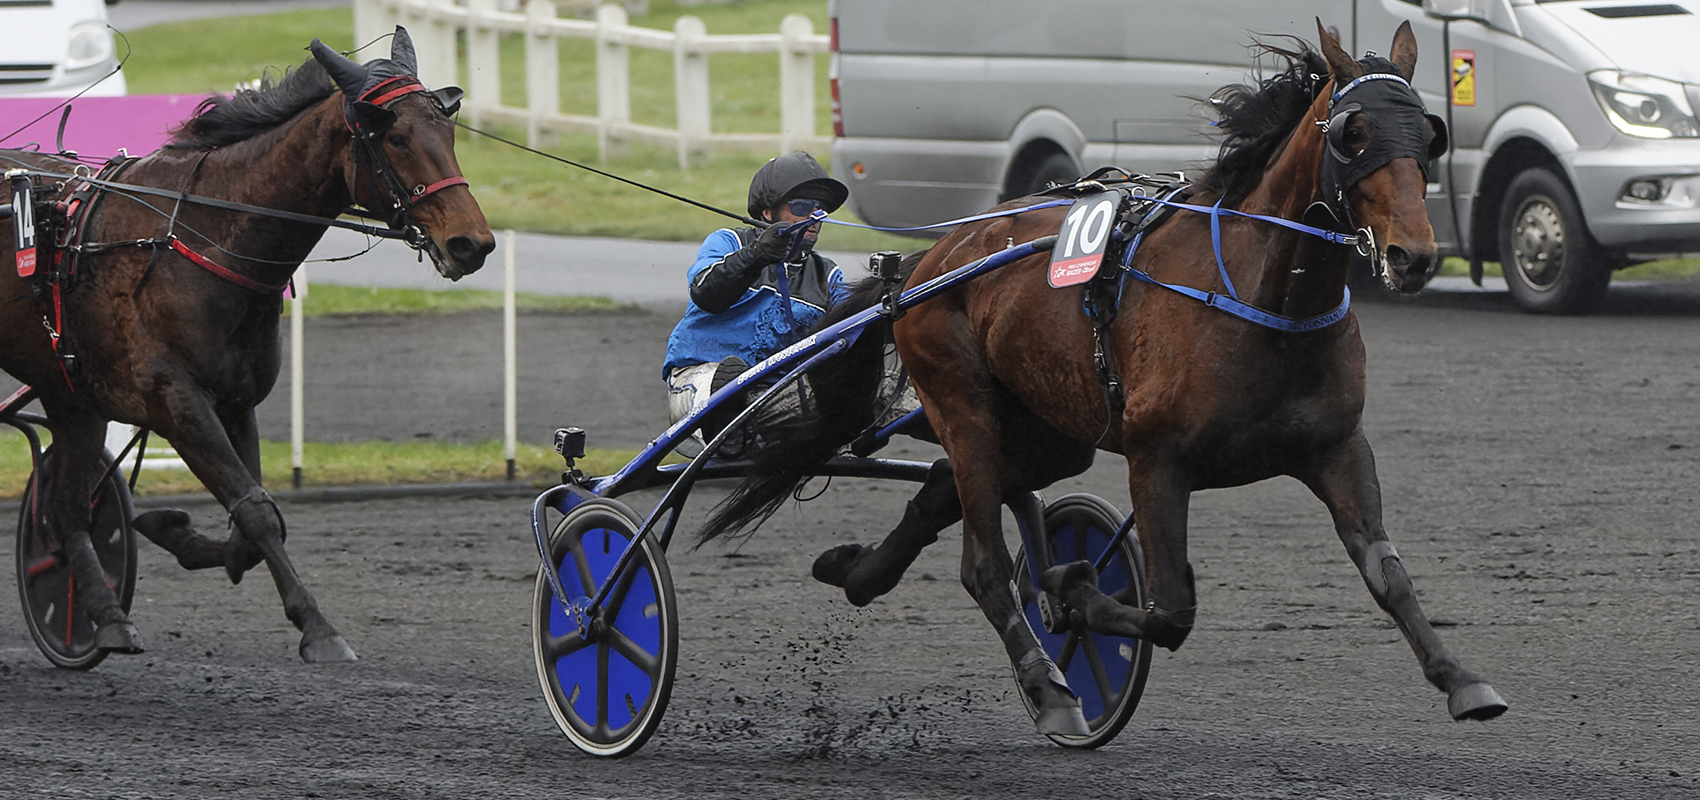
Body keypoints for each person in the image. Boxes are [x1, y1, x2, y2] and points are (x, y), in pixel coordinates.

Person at [663, 152, 853, 455]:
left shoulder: (827, 274)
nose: (816, 216)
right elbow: (706, 294)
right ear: (767, 212)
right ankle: (724, 427)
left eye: (822, 208)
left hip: (774, 395)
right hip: (698, 381)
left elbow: (855, 328)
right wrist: (756, 256)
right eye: (803, 206)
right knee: (729, 380)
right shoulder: (729, 242)